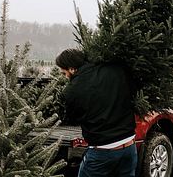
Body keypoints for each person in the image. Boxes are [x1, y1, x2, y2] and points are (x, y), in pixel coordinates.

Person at [55, 48, 137, 177]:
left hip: (102, 151)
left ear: (72, 69)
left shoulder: (72, 91)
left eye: (64, 72)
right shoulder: (115, 69)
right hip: (129, 146)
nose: (65, 77)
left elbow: (73, 119)